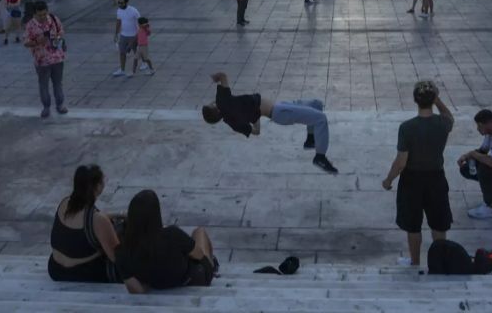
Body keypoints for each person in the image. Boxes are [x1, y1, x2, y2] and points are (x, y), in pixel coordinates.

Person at [201, 71, 338, 174]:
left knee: (316, 104)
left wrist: (254, 116)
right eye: (211, 104)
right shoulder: (223, 103)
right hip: (280, 112)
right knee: (320, 118)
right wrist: (213, 77)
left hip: (281, 107)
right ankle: (320, 157)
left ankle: (311, 140)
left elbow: (256, 131)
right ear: (215, 109)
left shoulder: (232, 122)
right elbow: (222, 76)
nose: (212, 102)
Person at [382, 81, 454, 266]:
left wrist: (388, 179)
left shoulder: (407, 128)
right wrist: (437, 99)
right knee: (439, 223)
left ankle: (415, 262)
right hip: (436, 178)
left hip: (412, 181)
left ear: (415, 100)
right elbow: (448, 115)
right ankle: (440, 261)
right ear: (433, 99)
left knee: (413, 225)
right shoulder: (443, 123)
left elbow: (401, 162)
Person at [115, 189, 217, 293]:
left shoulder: (121, 252)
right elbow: (198, 254)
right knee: (199, 232)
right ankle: (213, 268)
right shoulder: (172, 234)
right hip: (193, 280)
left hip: (158, 286)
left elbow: (137, 290)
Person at [48, 165, 121, 283]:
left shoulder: (64, 203)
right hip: (80, 273)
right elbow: (115, 258)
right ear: (97, 186)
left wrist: (118, 215)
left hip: (55, 269)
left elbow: (81, 220)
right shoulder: (97, 219)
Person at [24, 1, 68, 118]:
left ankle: (60, 105)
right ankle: (46, 107)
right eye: (40, 15)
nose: (43, 17)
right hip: (42, 61)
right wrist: (38, 41)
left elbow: (61, 31)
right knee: (43, 85)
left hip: (57, 58)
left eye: (44, 14)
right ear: (34, 14)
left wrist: (58, 38)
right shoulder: (30, 26)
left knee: (58, 83)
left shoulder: (53, 18)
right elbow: (26, 42)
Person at [112, 0, 140, 78]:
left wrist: (138, 34)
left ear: (126, 3)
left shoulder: (133, 11)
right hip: (123, 35)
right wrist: (116, 33)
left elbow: (139, 22)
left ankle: (144, 63)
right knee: (122, 52)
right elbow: (118, 22)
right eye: (118, 2)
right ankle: (122, 70)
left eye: (121, 3)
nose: (119, 4)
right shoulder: (119, 11)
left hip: (133, 35)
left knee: (136, 52)